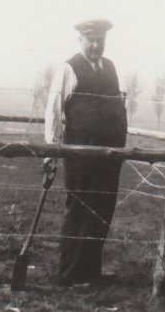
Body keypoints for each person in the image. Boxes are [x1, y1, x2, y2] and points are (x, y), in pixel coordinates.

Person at [43, 18, 127, 286]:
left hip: (109, 153)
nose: (95, 45)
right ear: (80, 40)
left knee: (102, 209)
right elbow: (54, 109)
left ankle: (91, 271)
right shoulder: (70, 68)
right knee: (79, 208)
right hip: (80, 151)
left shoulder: (110, 67)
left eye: (100, 40)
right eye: (90, 39)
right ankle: (69, 274)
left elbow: (117, 105)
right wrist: (52, 150)